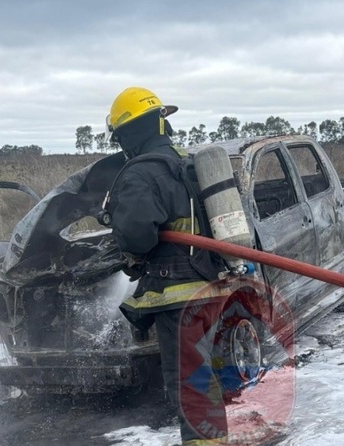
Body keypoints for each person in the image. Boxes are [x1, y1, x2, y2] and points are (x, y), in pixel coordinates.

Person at [103, 87, 228, 445]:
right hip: (210, 288)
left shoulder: (141, 173)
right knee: (202, 375)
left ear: (127, 133)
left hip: (178, 296)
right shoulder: (185, 162)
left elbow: (137, 237)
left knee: (189, 384)